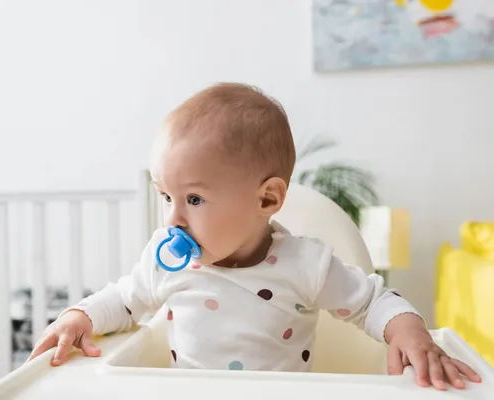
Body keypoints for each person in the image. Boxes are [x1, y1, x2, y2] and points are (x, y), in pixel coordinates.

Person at [28, 82, 481, 391]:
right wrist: (79, 317)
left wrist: (411, 332)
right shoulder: (168, 259)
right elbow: (126, 301)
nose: (173, 220)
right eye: (166, 196)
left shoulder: (306, 265)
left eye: (195, 200)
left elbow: (371, 302)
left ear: (267, 200)